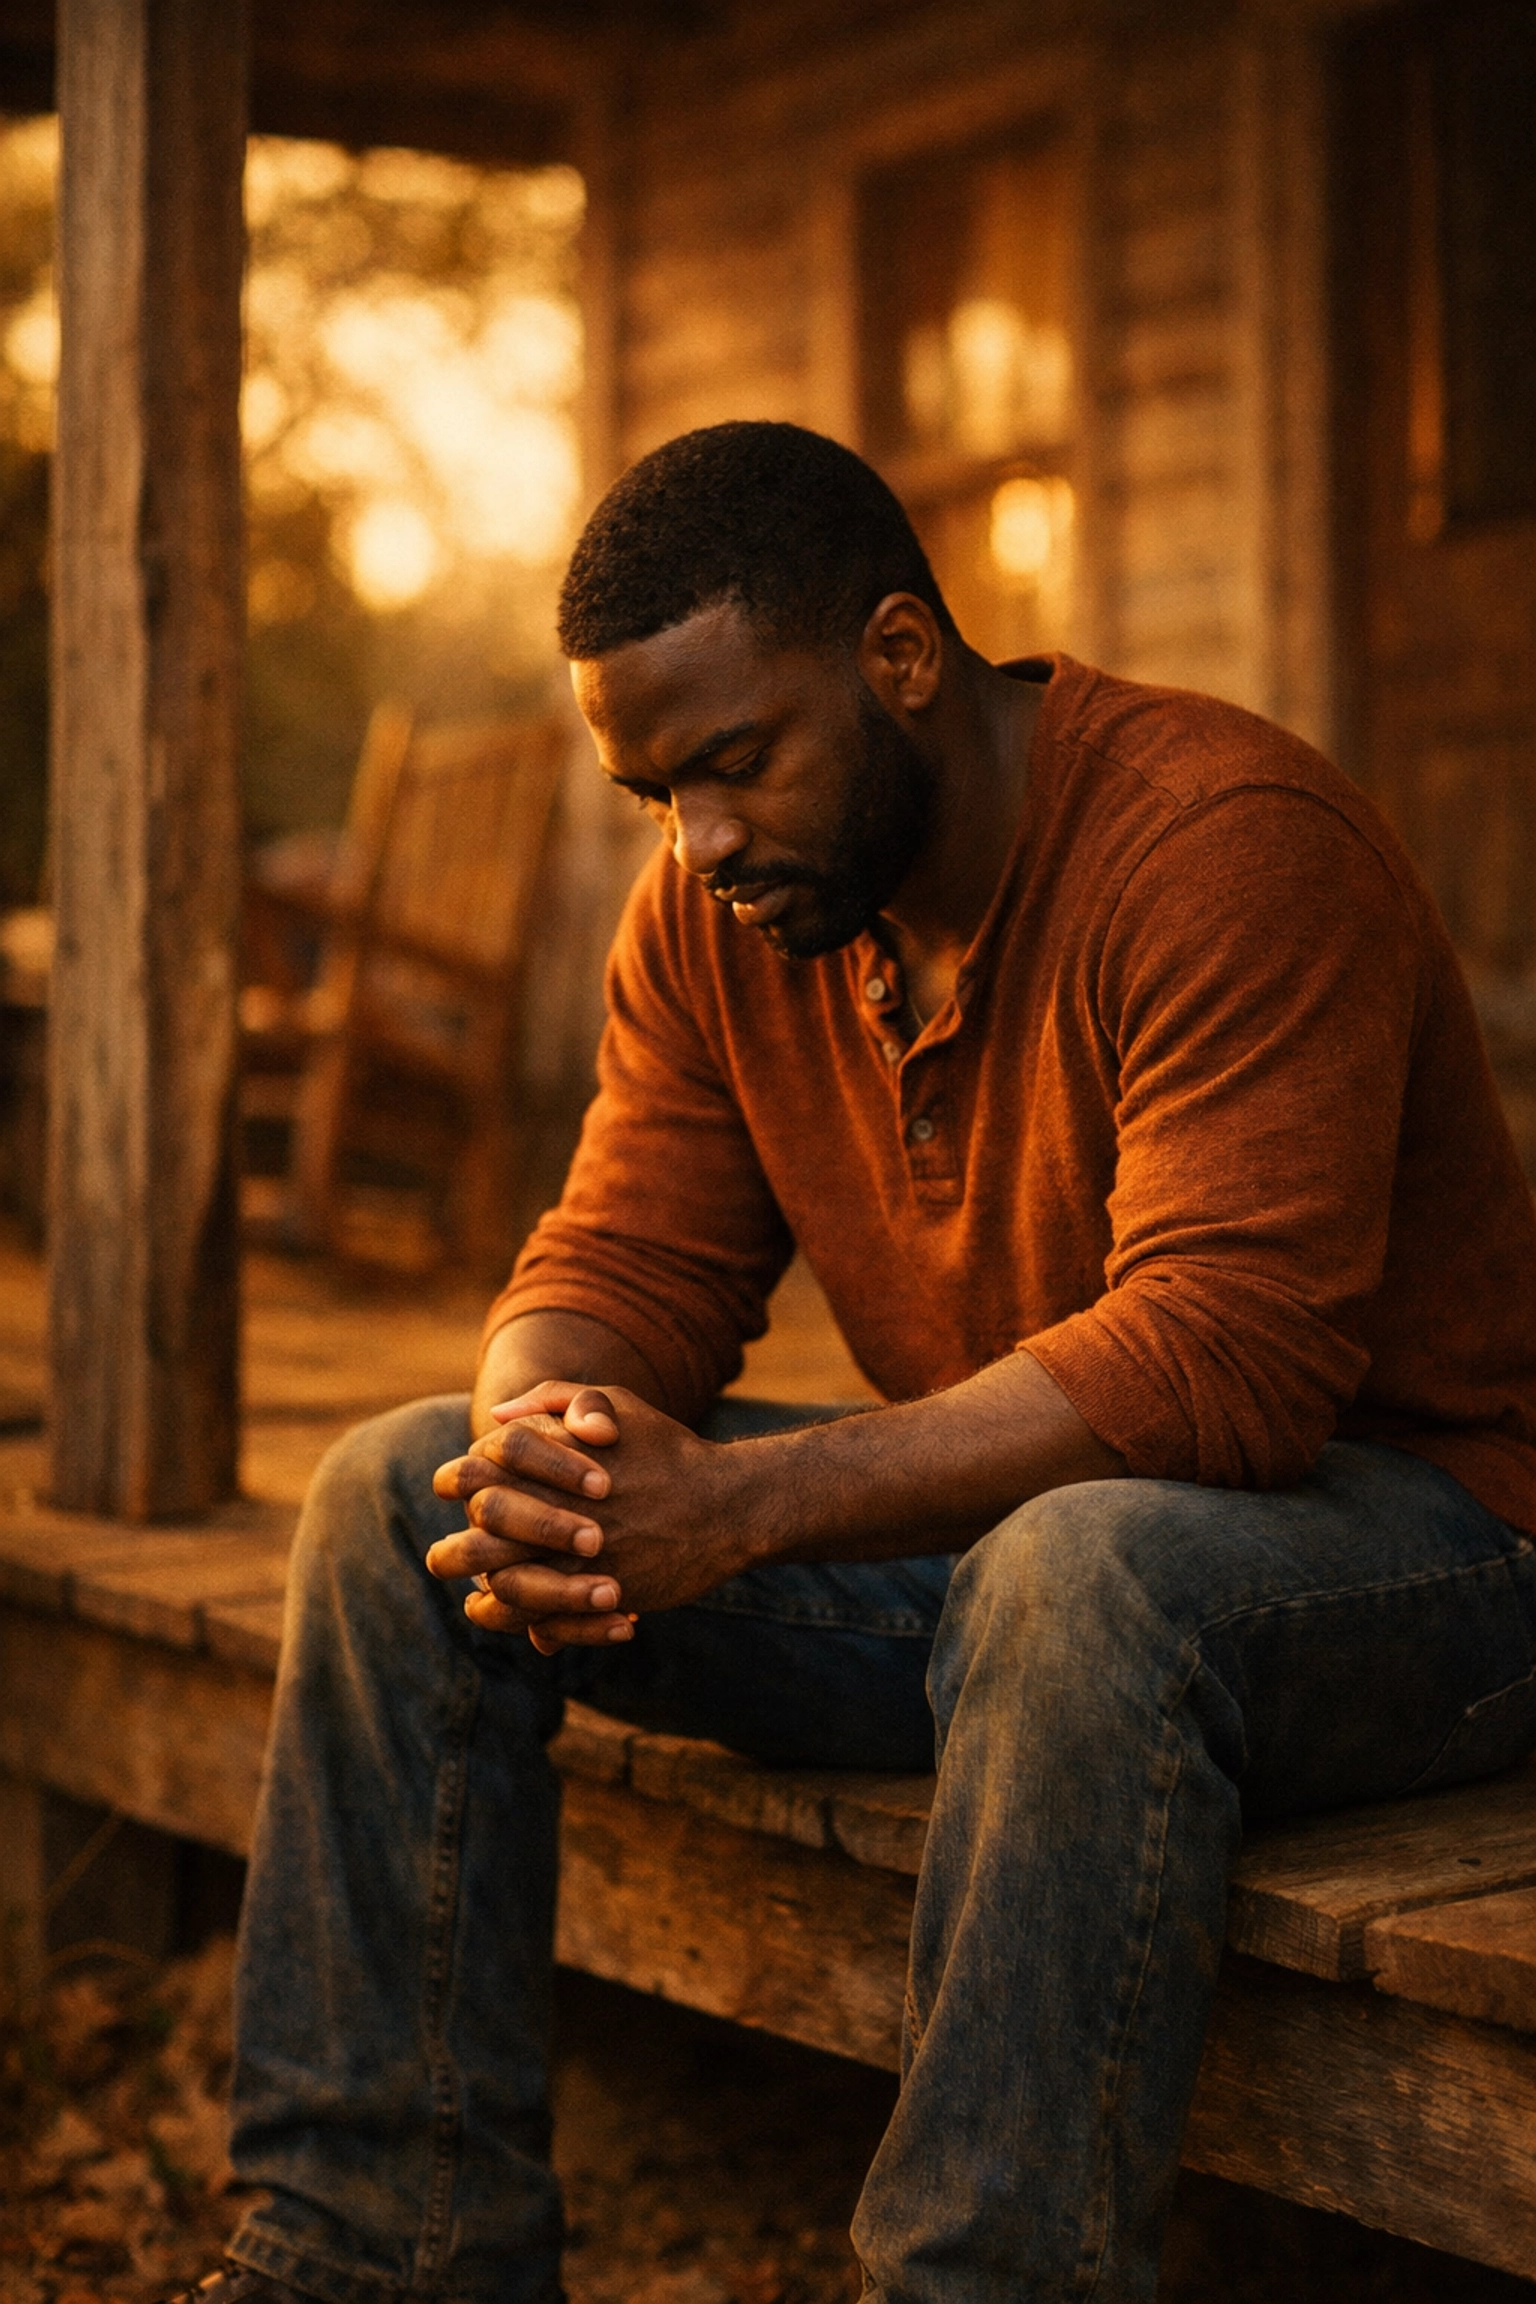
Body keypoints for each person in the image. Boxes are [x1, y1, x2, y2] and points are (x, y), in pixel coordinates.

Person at [187, 423, 1536, 2304]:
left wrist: (734, 1505)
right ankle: (372, 2260)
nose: (702, 842)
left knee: (1087, 1571)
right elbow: (624, 1261)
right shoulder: (724, 918)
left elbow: (1225, 1367)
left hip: (1428, 1555)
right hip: (1033, 1575)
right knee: (396, 1502)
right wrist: (541, 1455)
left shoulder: (1224, 845)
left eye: (735, 764)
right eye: (653, 793)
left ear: (901, 656)